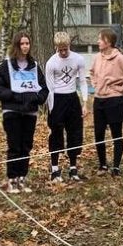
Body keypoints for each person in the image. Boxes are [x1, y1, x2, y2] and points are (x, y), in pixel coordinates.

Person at [0, 32, 49, 194]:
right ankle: (12, 179)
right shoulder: (6, 66)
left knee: (26, 146)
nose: (25, 46)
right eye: (22, 44)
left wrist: (37, 99)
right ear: (17, 45)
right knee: (14, 145)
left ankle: (22, 177)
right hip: (12, 111)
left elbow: (44, 88)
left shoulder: (34, 66)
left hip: (30, 112)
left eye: (27, 43)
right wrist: (11, 96)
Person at [89, 28, 123, 177]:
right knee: (98, 134)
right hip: (99, 100)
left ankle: (116, 167)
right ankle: (102, 164)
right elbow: (91, 73)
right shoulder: (97, 57)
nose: (98, 42)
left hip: (115, 101)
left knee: (116, 134)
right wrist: (96, 84)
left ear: (108, 41)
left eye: (100, 39)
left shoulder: (119, 58)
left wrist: (122, 89)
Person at [44, 31, 88, 183]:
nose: (63, 52)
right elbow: (49, 88)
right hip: (57, 99)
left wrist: (85, 102)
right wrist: (51, 109)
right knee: (56, 133)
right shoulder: (51, 63)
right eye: (60, 49)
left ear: (69, 45)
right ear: (56, 47)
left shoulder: (78, 59)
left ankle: (73, 167)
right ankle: (55, 169)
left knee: (74, 133)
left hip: (72, 98)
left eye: (65, 48)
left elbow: (82, 81)